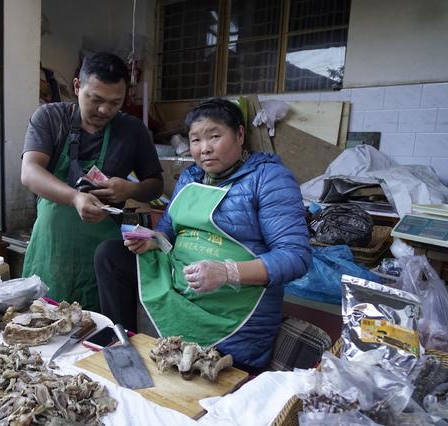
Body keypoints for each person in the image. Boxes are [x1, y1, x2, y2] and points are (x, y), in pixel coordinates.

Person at [95, 98, 311, 370]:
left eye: (215, 136)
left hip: (232, 303)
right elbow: (167, 232)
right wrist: (151, 240)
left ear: (240, 135)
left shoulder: (269, 178)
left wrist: (227, 272)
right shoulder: (190, 177)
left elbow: (296, 256)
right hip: (181, 277)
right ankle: (124, 348)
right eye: (195, 140)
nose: (204, 149)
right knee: (110, 255)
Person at [21, 52, 164, 311]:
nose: (104, 110)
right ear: (77, 86)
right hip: (53, 246)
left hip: (104, 249)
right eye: (96, 99)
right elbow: (30, 172)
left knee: (99, 324)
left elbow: (155, 185)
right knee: (45, 317)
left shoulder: (133, 130)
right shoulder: (50, 118)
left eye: (115, 102)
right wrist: (75, 197)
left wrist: (131, 189)